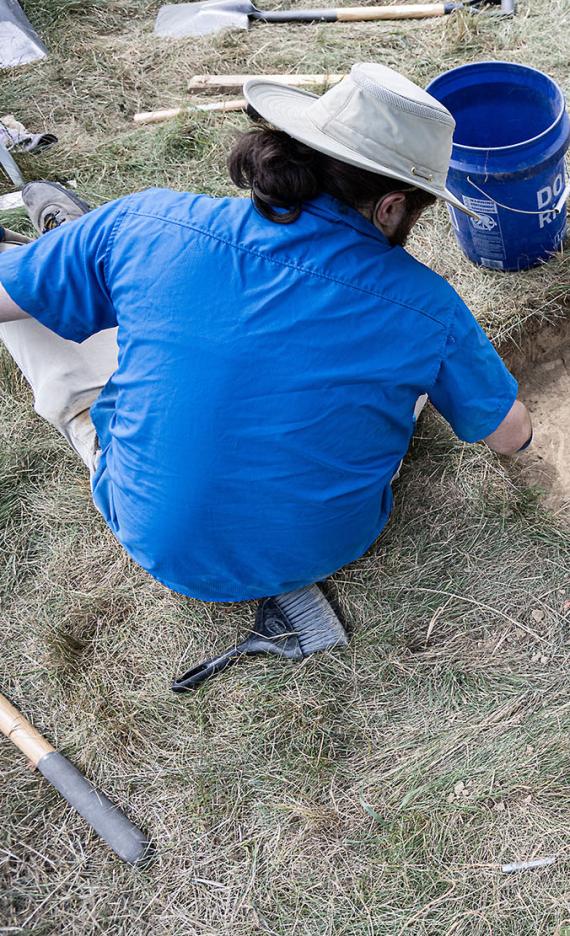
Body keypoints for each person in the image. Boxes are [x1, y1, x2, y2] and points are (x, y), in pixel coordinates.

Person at [0, 64, 532, 647]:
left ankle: (58, 271)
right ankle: (67, 276)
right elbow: (509, 436)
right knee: (402, 376)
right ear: (389, 208)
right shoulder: (428, 307)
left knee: (32, 309)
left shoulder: (146, 221)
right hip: (324, 545)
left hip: (158, 536)